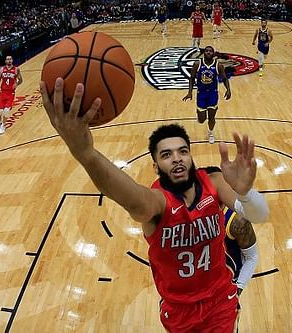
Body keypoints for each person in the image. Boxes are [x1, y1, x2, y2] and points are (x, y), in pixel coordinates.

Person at [39, 78, 269, 332]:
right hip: (180, 309)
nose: (177, 159)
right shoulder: (157, 202)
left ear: (191, 156)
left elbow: (258, 216)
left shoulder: (213, 182)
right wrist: (86, 154)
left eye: (183, 151)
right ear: (155, 166)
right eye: (166, 154)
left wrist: (246, 192)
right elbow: (127, 195)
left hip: (220, 300)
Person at [182, 45, 231, 144]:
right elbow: (191, 78)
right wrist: (190, 92)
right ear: (204, 53)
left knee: (212, 116)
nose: (208, 52)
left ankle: (211, 133)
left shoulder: (218, 65)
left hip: (213, 94)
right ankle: (200, 115)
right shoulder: (197, 64)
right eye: (207, 51)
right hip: (201, 94)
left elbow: (225, 78)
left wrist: (228, 89)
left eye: (210, 51)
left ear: (213, 53)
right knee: (201, 119)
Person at [223, 206, 259, 295]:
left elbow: (252, 257)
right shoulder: (186, 215)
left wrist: (237, 291)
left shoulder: (237, 221)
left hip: (227, 285)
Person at [0, 55, 23, 135]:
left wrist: (17, 84)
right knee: (0, 110)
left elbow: (21, 80)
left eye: (10, 59)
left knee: (6, 110)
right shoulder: (2, 69)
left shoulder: (16, 69)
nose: (9, 60)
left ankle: (3, 125)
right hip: (2, 92)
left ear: (12, 60)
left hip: (11, 93)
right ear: (5, 61)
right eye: (7, 59)